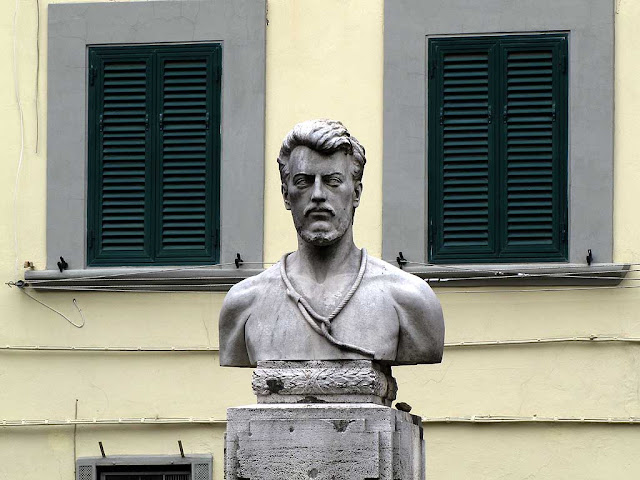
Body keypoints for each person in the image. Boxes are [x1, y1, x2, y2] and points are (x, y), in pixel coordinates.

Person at [219, 119, 444, 367]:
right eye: (303, 182)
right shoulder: (243, 304)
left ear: (356, 193)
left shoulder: (409, 299)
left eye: (332, 181)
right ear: (286, 195)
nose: (317, 195)